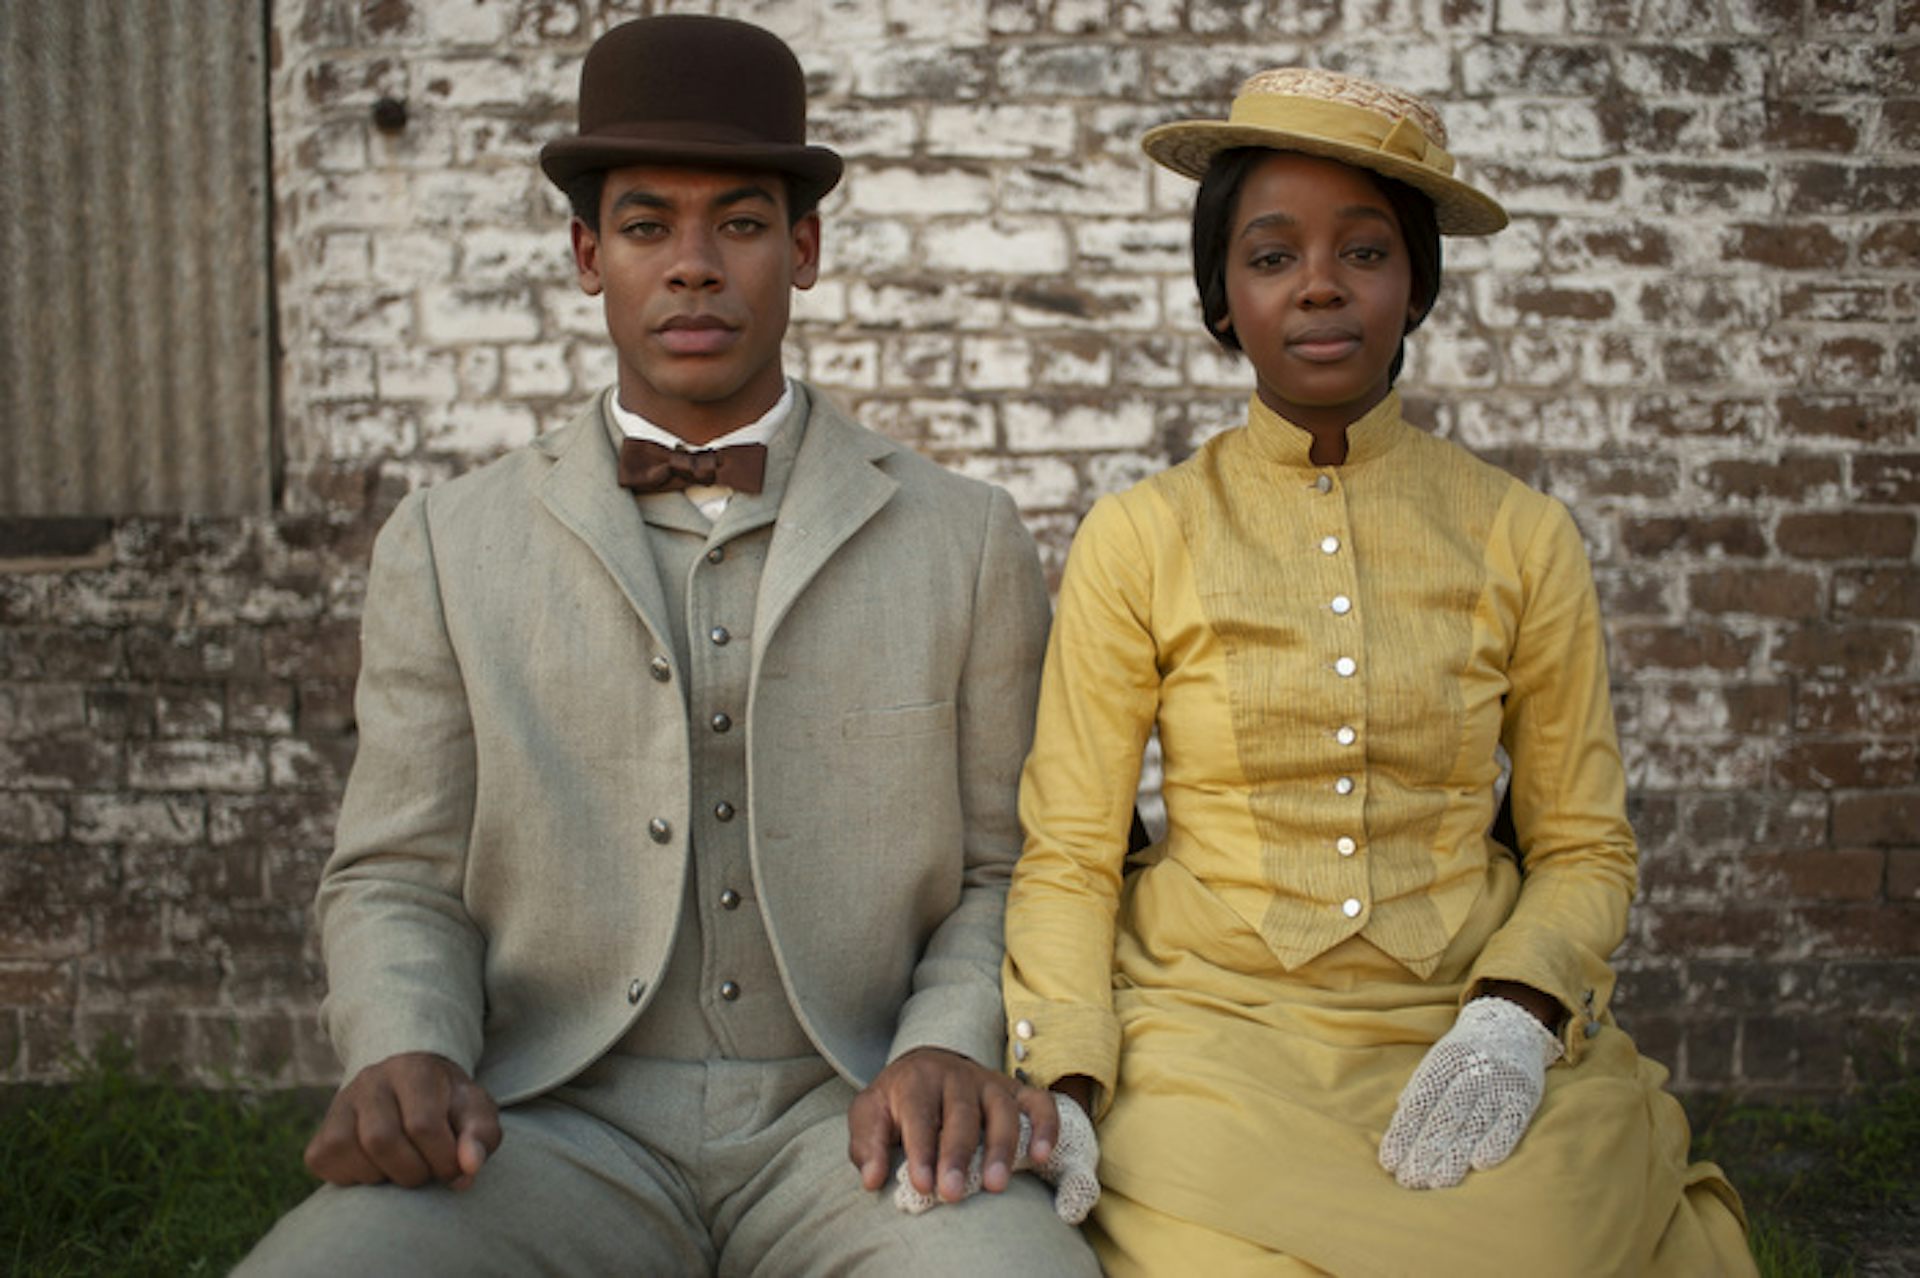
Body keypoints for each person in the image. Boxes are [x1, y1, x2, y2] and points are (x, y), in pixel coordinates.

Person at [240, 15, 1098, 1274]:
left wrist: (943, 1044)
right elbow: (398, 873)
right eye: (647, 228)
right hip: (544, 1124)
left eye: (740, 225)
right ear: (589, 255)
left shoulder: (962, 538)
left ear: (803, 250)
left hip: (857, 1122)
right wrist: (407, 1049)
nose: (694, 267)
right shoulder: (447, 542)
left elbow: (1004, 866)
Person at [999, 68, 1759, 1275]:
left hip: (1459, 1017)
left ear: (1417, 285)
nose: (1319, 285)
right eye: (1272, 256)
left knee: (1550, 1240)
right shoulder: (1139, 535)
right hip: (1208, 1026)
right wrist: (1070, 1071)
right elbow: (1072, 852)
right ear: (1222, 294)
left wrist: (1518, 1014)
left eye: (1364, 251)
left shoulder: (1521, 533)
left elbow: (1582, 845)